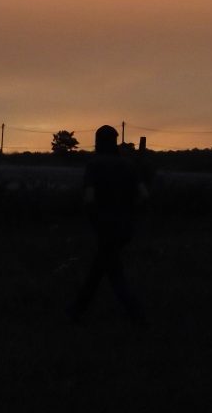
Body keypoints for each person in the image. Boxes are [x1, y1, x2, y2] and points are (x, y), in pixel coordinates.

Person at [68, 124, 146, 322]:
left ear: (98, 142)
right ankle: (76, 313)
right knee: (104, 270)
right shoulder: (129, 165)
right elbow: (144, 196)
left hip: (105, 228)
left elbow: (89, 198)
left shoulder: (94, 165)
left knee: (110, 274)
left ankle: (138, 317)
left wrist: (95, 220)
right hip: (125, 228)